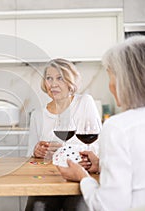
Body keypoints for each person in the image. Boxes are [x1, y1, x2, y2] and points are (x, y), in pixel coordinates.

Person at [58, 35, 145, 211]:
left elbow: (107, 206)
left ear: (125, 81)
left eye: (111, 77)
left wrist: (83, 178)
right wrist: (102, 165)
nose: (110, 86)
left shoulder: (118, 128)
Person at [25, 58, 102, 211]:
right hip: (49, 180)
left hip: (81, 178)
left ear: (70, 81)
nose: (53, 84)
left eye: (60, 78)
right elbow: (30, 157)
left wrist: (75, 156)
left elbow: (97, 145)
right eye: (49, 78)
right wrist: (37, 151)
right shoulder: (38, 115)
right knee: (37, 207)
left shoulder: (85, 102)